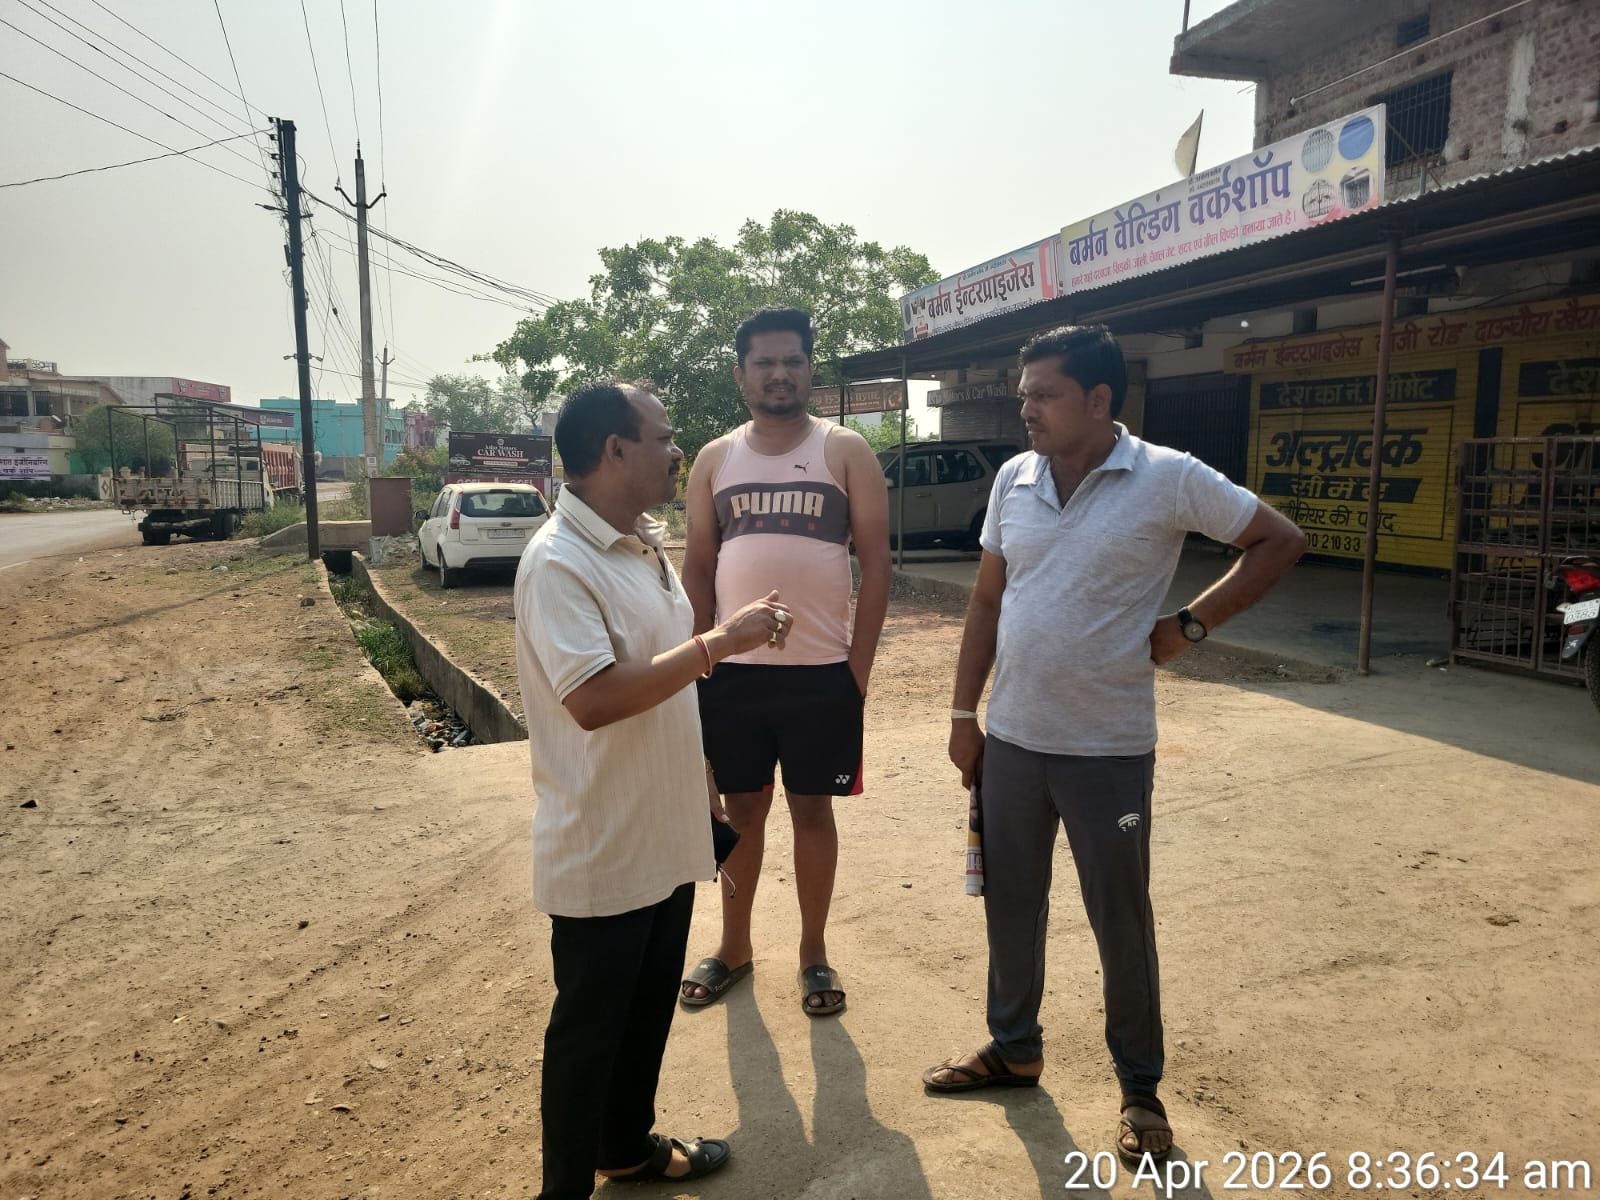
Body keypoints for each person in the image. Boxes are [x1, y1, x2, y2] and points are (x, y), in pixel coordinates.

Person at [921, 326, 1305, 1168]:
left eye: (1044, 395)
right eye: (1024, 394)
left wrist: (1190, 624)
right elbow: (986, 602)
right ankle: (1014, 1047)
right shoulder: (1015, 478)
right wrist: (961, 714)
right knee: (1010, 905)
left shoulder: (1167, 476)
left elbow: (1279, 539)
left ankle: (1139, 1088)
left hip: (1107, 750)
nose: (1026, 409)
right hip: (1012, 742)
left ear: (1098, 400)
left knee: (1119, 922)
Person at [514, 380, 793, 1200]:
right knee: (588, 1036)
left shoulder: (640, 544)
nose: (676, 452)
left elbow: (662, 685)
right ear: (614, 451)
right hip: (603, 845)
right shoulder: (559, 562)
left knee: (643, 1017)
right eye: (663, 438)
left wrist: (697, 775)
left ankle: (626, 1148)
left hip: (664, 831)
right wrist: (721, 642)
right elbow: (595, 698)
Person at [678, 306, 891, 1016]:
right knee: (740, 811)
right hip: (731, 676)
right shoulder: (715, 459)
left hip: (822, 677)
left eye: (793, 361)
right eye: (765, 363)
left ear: (809, 370)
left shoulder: (845, 450)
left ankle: (813, 953)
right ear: (741, 375)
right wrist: (697, 659)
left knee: (812, 811)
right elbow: (698, 567)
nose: (779, 374)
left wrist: (856, 671)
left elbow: (877, 564)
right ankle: (733, 946)